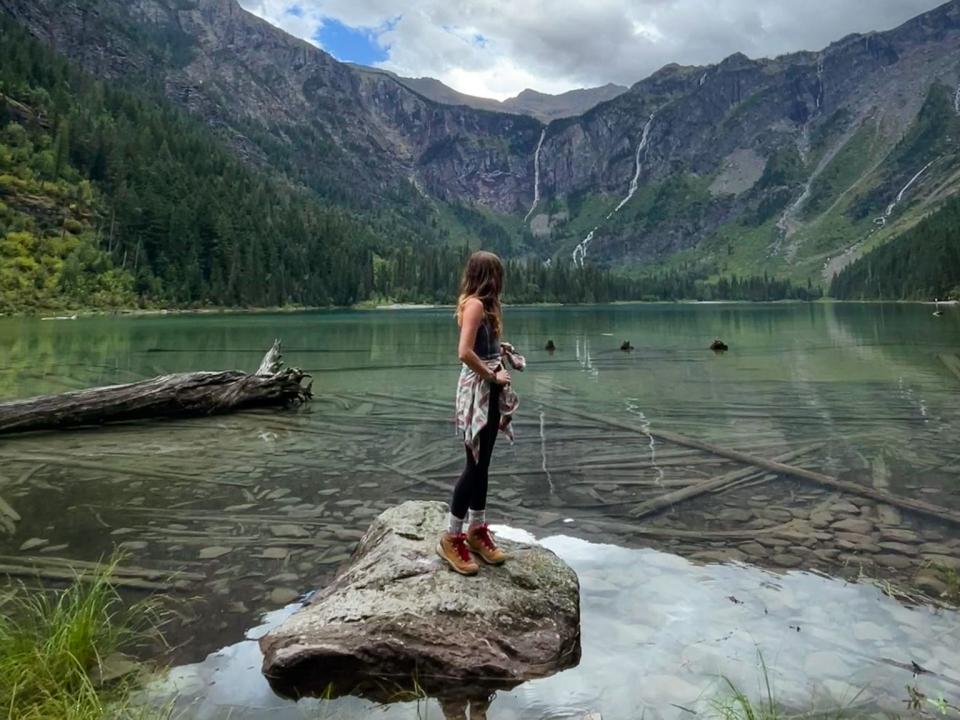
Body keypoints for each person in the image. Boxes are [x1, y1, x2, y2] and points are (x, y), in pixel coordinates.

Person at [438, 250, 520, 576]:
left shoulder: (488, 308)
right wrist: (492, 375)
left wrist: (498, 352)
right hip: (478, 393)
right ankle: (452, 536)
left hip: (490, 389)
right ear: (488, 276)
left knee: (483, 464)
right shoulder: (474, 305)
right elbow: (464, 352)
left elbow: (480, 348)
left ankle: (476, 529)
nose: (501, 281)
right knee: (473, 466)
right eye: (497, 275)